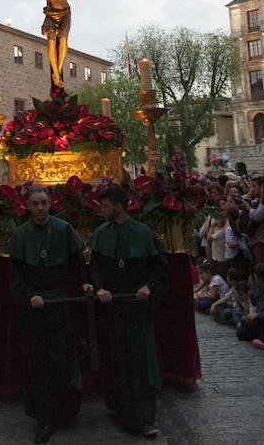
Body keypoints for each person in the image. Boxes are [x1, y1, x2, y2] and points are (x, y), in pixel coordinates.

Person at [9, 185, 89, 444]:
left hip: (60, 303)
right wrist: (28, 296)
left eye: (44, 203)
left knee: (62, 359)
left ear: (51, 203)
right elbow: (16, 276)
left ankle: (64, 411)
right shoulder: (21, 236)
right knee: (38, 361)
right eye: (35, 204)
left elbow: (77, 263)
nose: (41, 208)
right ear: (28, 206)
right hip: (35, 306)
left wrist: (85, 283)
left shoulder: (64, 230)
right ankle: (43, 417)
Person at [90, 185, 169, 438]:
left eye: (105, 206)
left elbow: (161, 270)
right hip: (113, 306)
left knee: (138, 362)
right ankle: (120, 408)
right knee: (117, 360)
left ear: (120, 207)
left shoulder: (143, 233)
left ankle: (143, 417)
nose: (101, 210)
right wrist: (100, 288)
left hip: (136, 308)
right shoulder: (101, 234)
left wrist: (148, 287)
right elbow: (96, 268)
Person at [235, 263, 264, 341]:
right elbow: (255, 302)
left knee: (243, 327)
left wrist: (258, 315)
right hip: (258, 317)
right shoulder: (259, 287)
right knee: (241, 330)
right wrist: (251, 293)